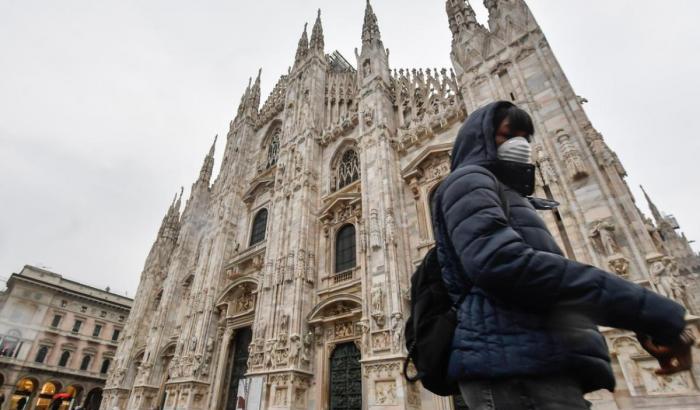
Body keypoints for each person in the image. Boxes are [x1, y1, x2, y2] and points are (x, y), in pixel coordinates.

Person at [431, 101, 694, 409]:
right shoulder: (470, 181)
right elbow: (505, 266)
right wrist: (649, 311)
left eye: (524, 136)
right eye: (507, 134)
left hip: (536, 359)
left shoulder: (508, 194)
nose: (519, 144)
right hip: (513, 366)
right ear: (481, 137)